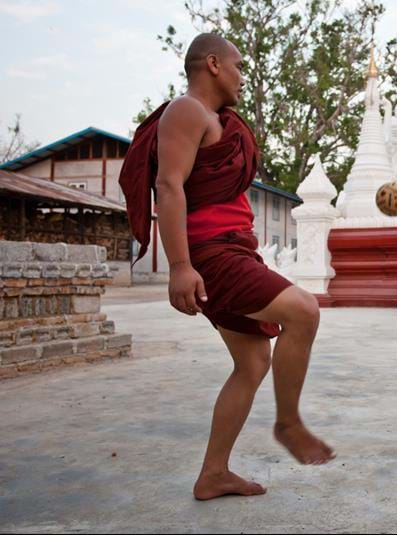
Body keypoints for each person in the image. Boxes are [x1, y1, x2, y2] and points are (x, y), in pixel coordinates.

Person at [119, 33, 335, 501]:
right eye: (238, 66)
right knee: (304, 309)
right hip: (213, 253)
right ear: (213, 64)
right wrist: (179, 265)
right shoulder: (186, 110)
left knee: (254, 361)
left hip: (236, 248)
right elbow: (169, 186)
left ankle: (213, 473)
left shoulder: (216, 119)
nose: (242, 75)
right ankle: (289, 422)